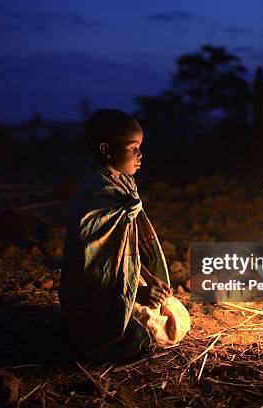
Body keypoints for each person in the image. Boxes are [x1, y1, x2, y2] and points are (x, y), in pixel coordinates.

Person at [59, 109, 190, 362]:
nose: (140, 155)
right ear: (107, 150)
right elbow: (93, 268)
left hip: (120, 284)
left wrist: (149, 280)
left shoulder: (124, 185)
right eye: (133, 148)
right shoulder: (97, 198)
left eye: (140, 147)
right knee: (142, 335)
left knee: (173, 311)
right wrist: (134, 294)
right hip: (93, 298)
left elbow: (125, 251)